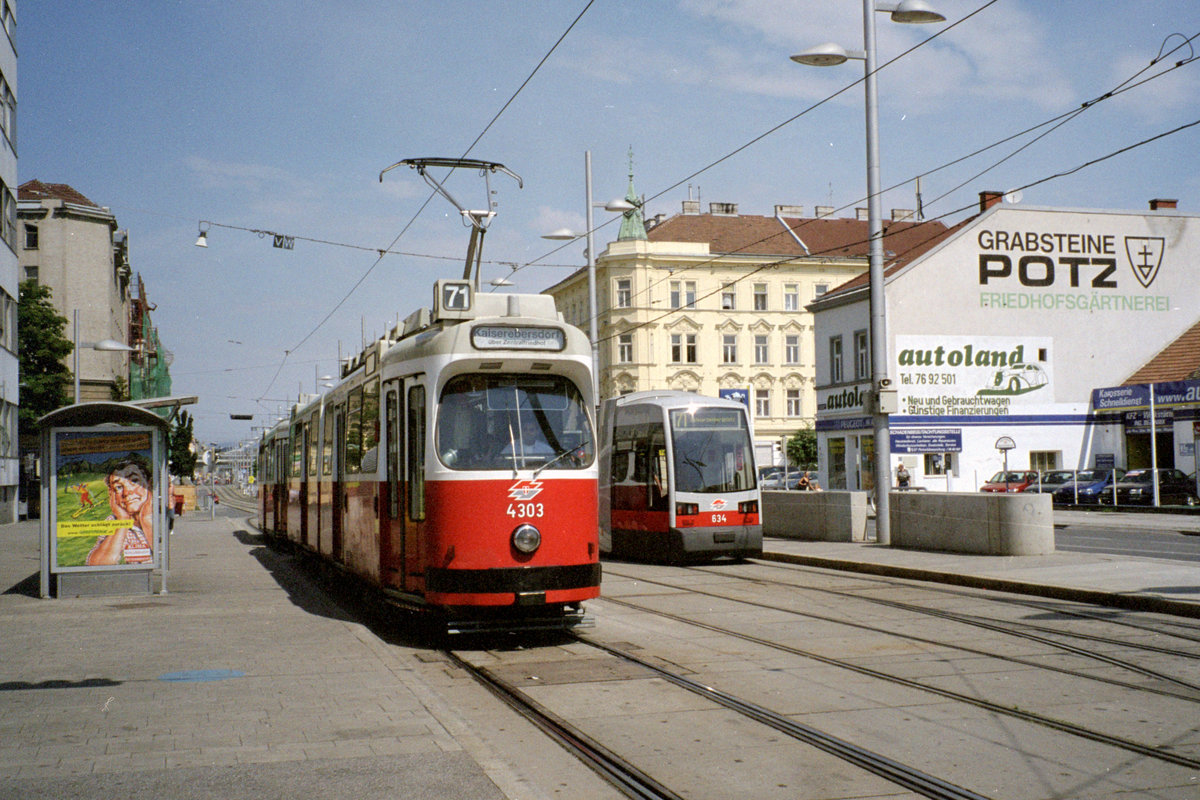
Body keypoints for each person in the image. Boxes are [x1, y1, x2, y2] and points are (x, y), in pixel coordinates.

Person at [86, 456, 154, 566]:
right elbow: (97, 564)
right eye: (118, 487)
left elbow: (164, 559)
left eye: (134, 481)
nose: (127, 492)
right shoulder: (113, 521)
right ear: (111, 495)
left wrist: (146, 521)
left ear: (149, 485)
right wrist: (123, 521)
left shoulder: (159, 517)